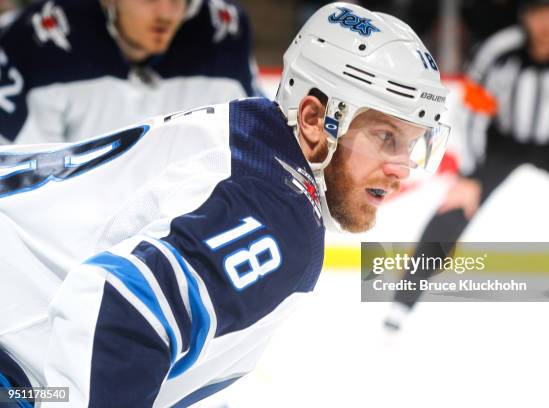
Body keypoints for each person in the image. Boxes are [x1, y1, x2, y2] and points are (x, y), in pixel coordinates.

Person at [0, 3, 450, 406]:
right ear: (314, 120)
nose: (401, 168)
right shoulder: (281, 212)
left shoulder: (250, 134)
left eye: (411, 144)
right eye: (385, 137)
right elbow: (119, 308)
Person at [386, 0, 549, 330]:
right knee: (454, 209)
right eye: (538, 13)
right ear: (525, 16)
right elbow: (473, 115)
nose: (546, 23)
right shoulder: (498, 51)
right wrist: (471, 175)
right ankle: (401, 305)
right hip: (503, 143)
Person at [0, 0, 259, 144]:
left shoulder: (224, 36)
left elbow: (247, 150)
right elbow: (25, 182)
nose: (166, 14)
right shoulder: (37, 42)